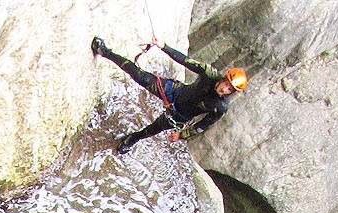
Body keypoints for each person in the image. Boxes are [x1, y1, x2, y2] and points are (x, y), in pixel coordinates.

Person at [90, 36, 247, 154]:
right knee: (139, 75)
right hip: (174, 91)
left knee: (152, 130)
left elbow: (203, 125)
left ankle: (132, 139)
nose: (225, 89)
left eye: (229, 90)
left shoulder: (220, 107)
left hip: (179, 115)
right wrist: (164, 46)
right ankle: (105, 51)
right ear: (224, 78)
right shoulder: (209, 74)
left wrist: (182, 135)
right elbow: (186, 61)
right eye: (226, 84)